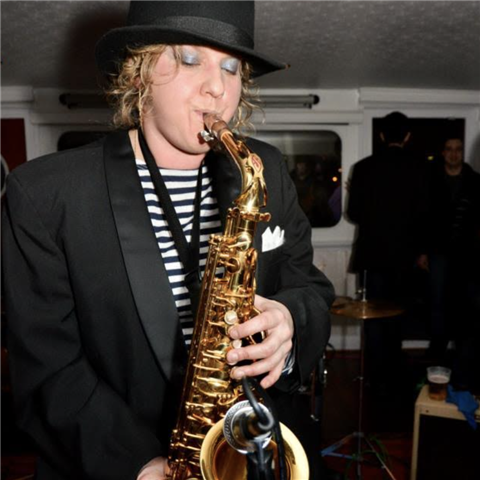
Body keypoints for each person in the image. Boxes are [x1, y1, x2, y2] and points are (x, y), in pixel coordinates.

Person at [2, 0, 334, 479]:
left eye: (231, 67)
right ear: (137, 72)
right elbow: (46, 371)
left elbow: (310, 288)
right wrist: (140, 465)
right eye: (189, 58)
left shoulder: (266, 169)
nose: (218, 87)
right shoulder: (45, 194)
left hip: (249, 450)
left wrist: (290, 324)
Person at [347, 111, 428, 394]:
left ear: (381, 136)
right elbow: (424, 215)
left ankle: (374, 376)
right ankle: (394, 375)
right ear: (407, 137)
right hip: (405, 256)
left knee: (373, 316)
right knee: (398, 315)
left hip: (372, 255)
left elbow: (353, 213)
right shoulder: (419, 168)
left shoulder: (363, 168)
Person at [418, 136, 480, 390]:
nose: (454, 154)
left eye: (458, 149)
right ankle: (438, 348)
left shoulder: (474, 180)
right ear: (443, 152)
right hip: (438, 250)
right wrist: (422, 251)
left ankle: (461, 351)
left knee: (464, 302)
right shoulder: (432, 180)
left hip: (468, 253)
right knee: (437, 300)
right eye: (449, 149)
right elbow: (423, 217)